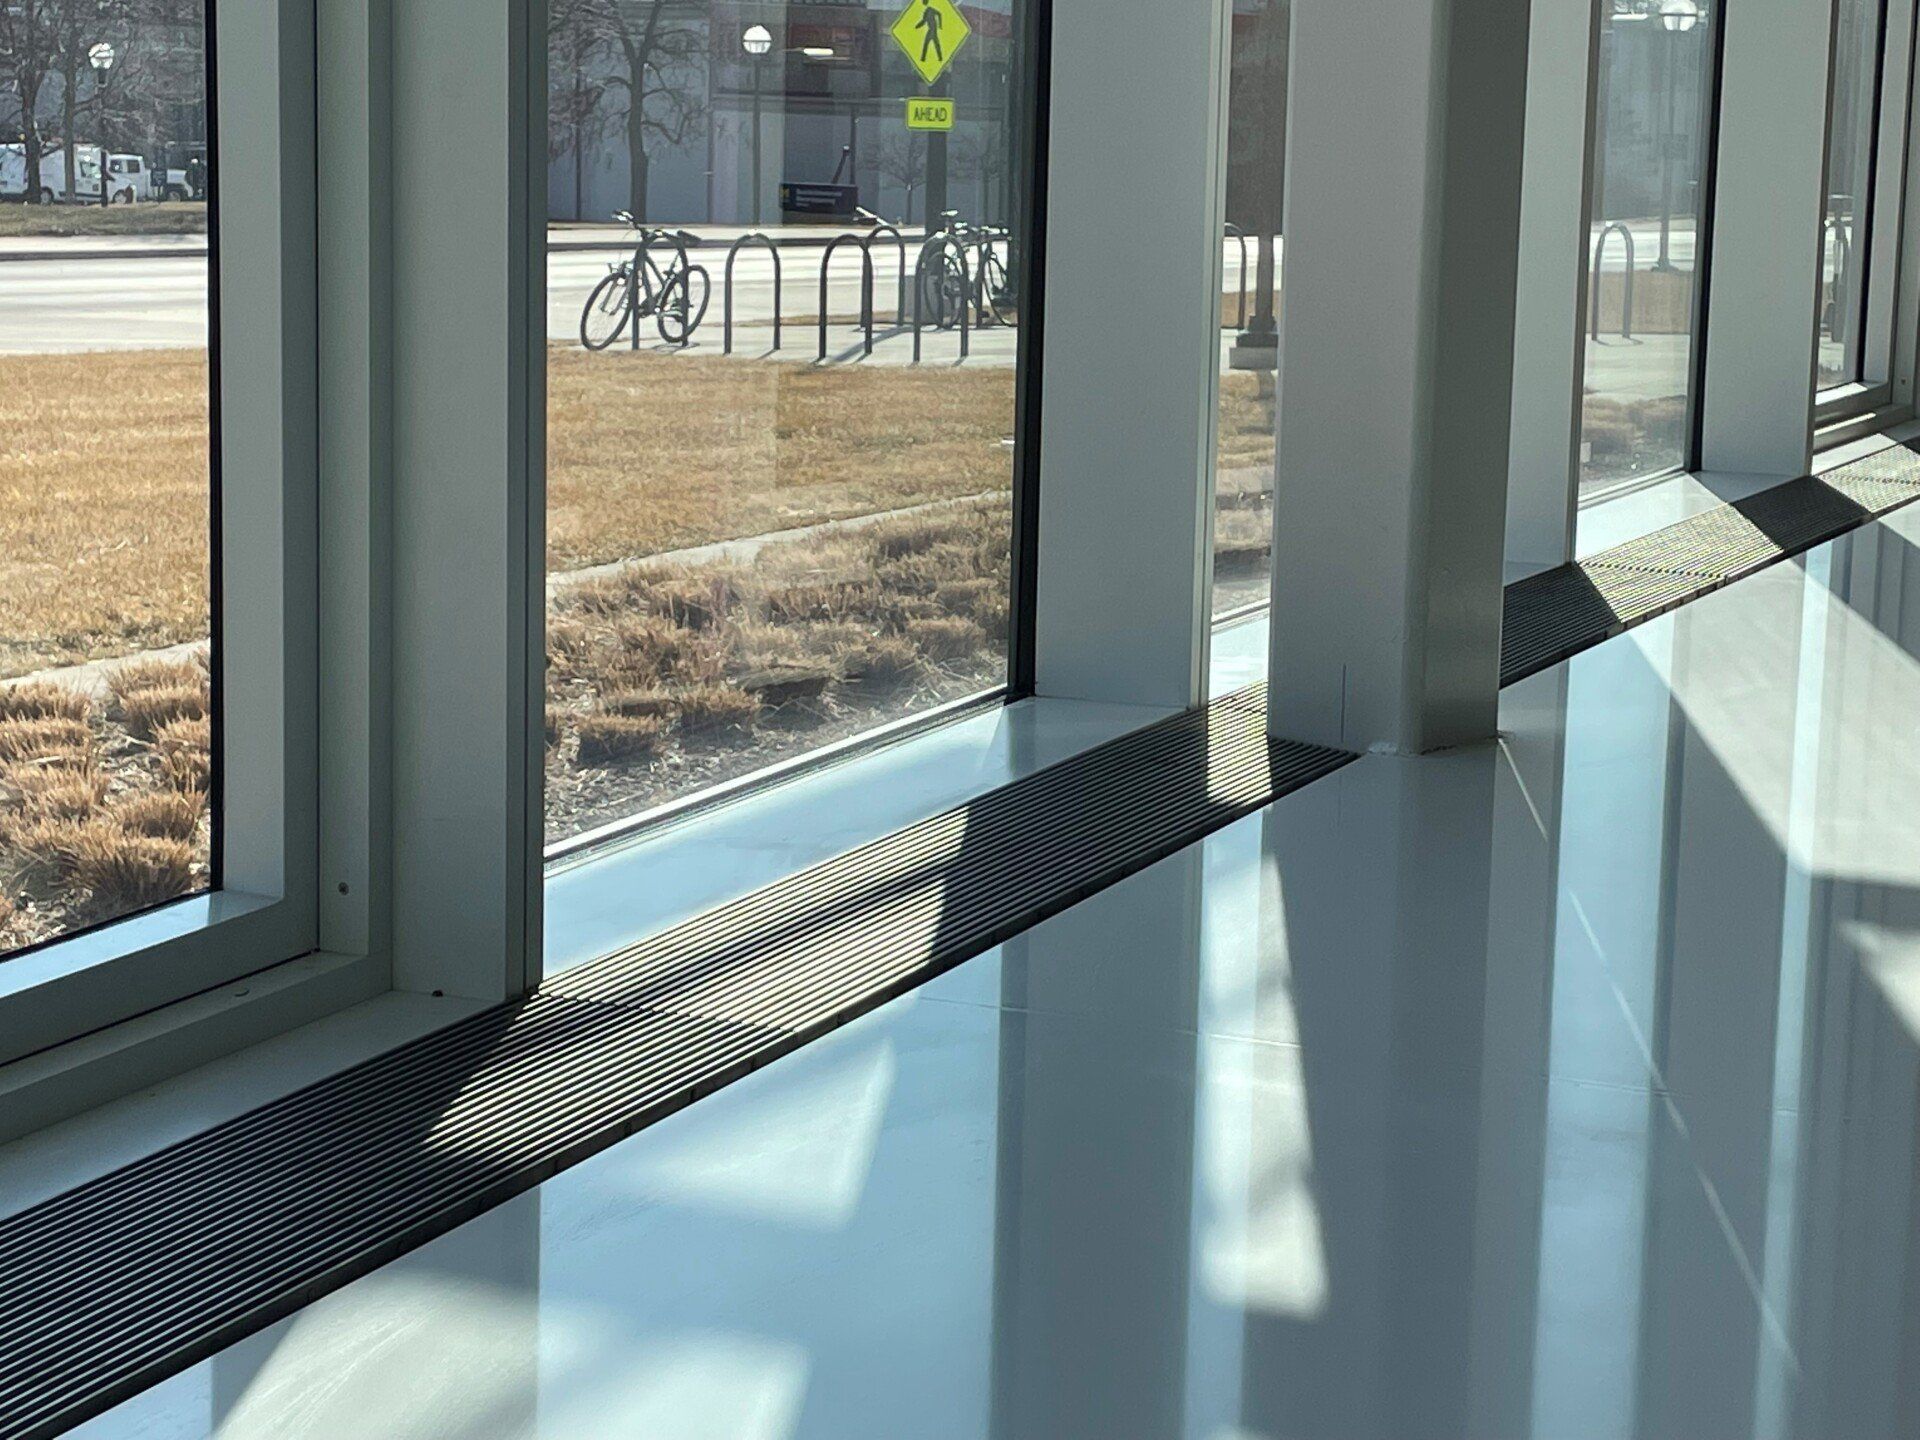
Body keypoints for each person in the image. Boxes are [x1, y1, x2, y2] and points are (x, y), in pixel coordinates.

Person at [915, 0, 944, 64]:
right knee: (934, 44)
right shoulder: (926, 11)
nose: (923, 3)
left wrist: (940, 25)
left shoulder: (930, 9)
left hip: (933, 30)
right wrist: (916, 26)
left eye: (924, 2)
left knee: (929, 44)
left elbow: (939, 14)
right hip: (931, 29)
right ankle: (939, 58)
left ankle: (924, 58)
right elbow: (924, 21)